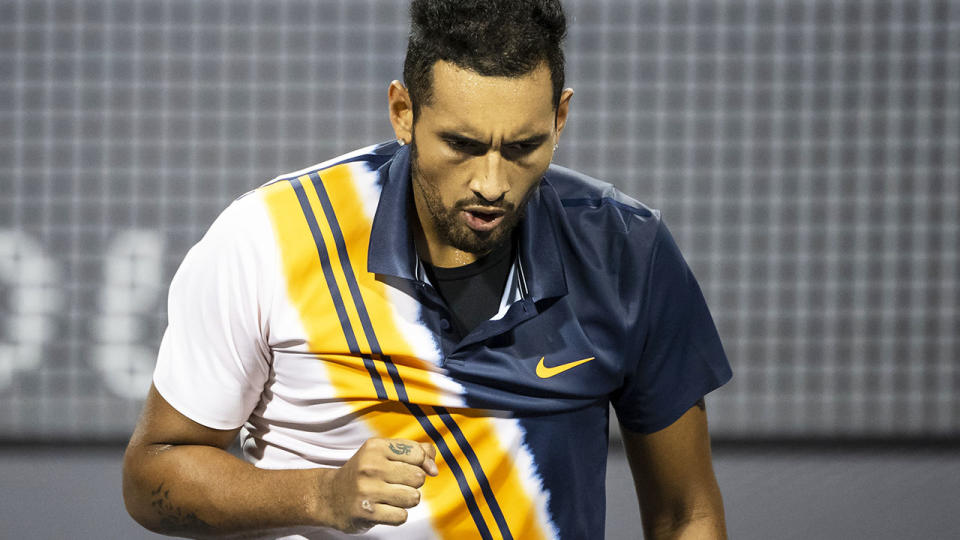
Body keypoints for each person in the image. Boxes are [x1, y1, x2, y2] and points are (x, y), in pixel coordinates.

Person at [123, 0, 733, 538]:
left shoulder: (626, 253)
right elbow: (154, 474)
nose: (492, 184)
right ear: (403, 112)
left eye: (523, 147)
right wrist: (321, 494)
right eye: (462, 145)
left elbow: (687, 516)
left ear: (560, 118)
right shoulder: (266, 240)